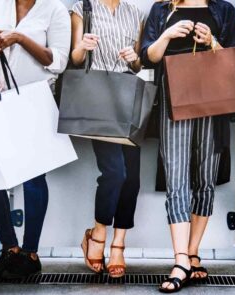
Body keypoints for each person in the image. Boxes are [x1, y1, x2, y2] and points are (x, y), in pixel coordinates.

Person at [141, 0, 235, 292]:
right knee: (176, 177)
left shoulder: (224, 10)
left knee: (206, 178)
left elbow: (232, 59)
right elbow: (148, 57)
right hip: (174, 98)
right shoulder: (162, 9)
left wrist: (212, 41)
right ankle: (180, 259)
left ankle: (193, 252)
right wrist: (167, 35)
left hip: (213, 99)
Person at [0, 0, 71, 279]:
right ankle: (10, 248)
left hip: (35, 101)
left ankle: (30, 253)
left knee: (33, 177)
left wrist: (19, 38)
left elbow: (58, 61)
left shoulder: (55, 9)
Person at [70, 0, 144, 279]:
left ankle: (118, 245)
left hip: (127, 95)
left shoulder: (135, 12)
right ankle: (98, 232)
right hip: (97, 94)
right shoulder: (81, 8)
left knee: (132, 177)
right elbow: (75, 59)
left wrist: (132, 58)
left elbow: (138, 65)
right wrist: (83, 47)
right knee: (115, 172)